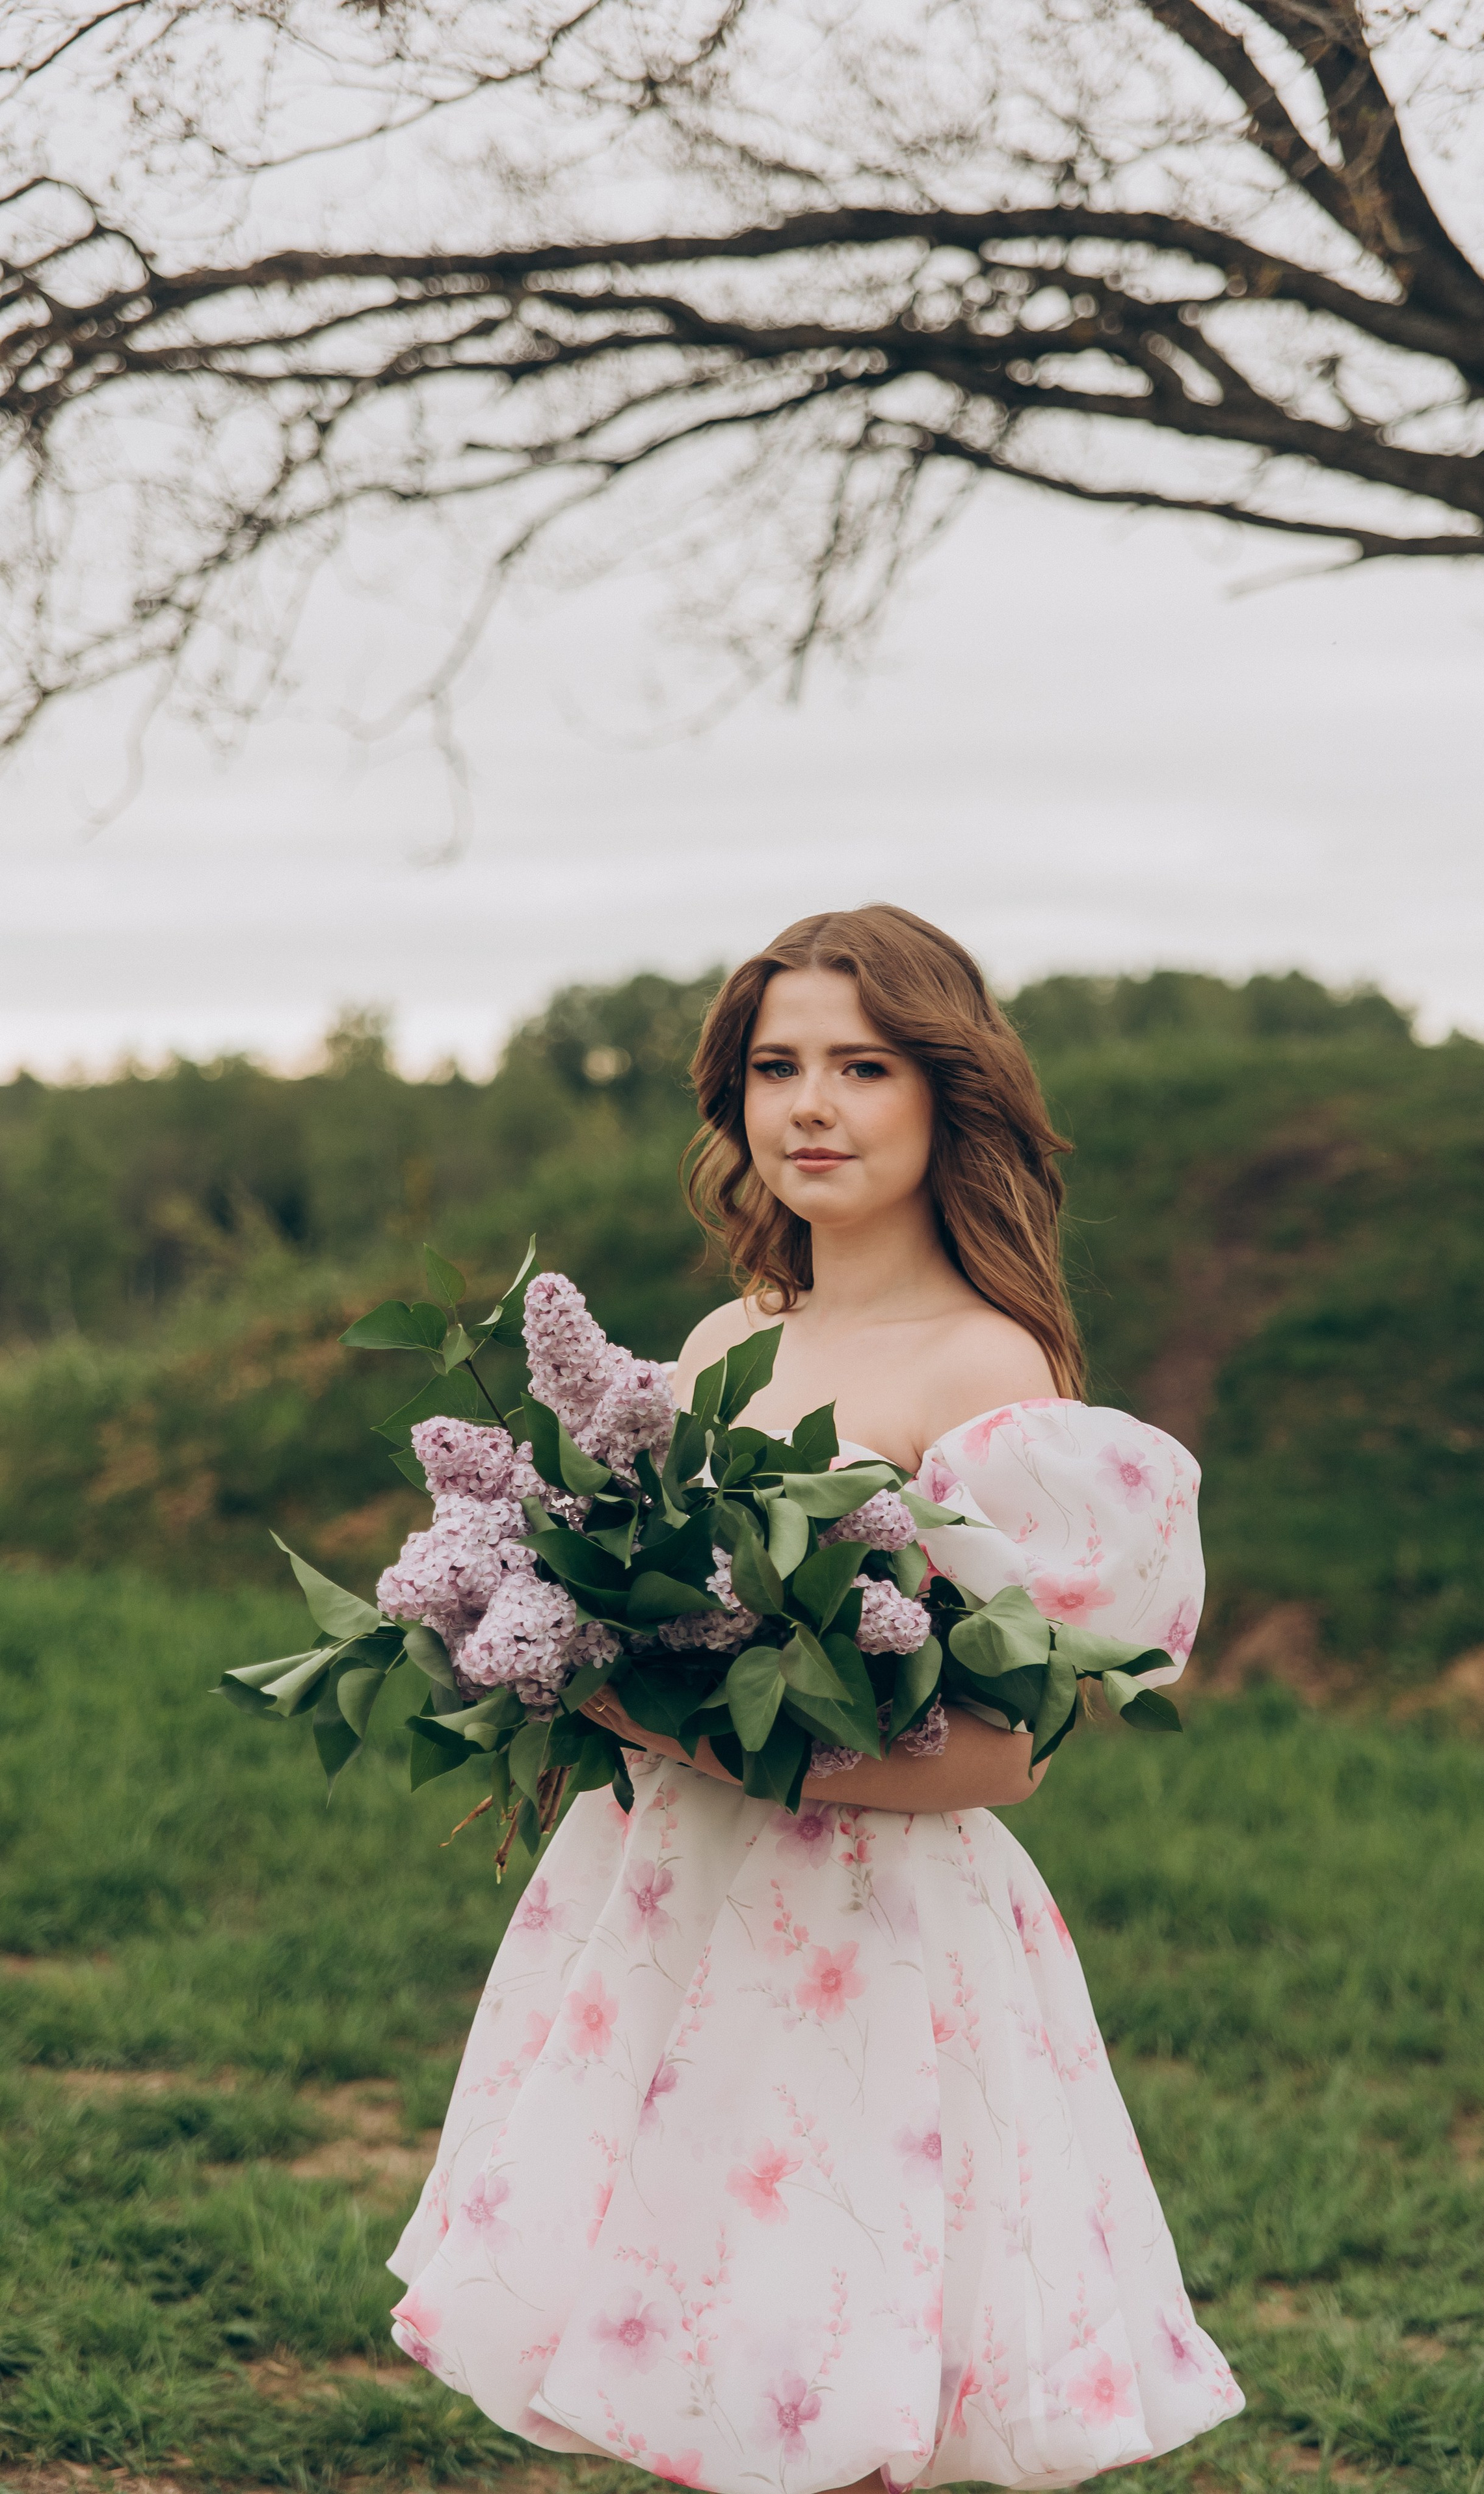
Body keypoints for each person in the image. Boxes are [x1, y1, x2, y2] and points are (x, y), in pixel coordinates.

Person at [388, 906, 1244, 2491]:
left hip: (864, 1942)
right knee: (694, 2351)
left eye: (862, 1064)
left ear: (944, 1091)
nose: (810, 1105)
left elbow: (994, 1760)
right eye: (775, 1065)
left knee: (835, 2382)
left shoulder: (984, 1368)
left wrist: (678, 1723)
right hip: (677, 1908)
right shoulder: (728, 1340)